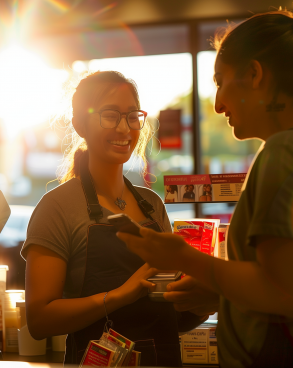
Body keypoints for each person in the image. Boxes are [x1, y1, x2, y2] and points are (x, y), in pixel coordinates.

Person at [118, 3, 293, 368]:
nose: (217, 105)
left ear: (254, 74)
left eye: (220, 81)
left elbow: (284, 293)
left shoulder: (286, 151)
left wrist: (183, 258)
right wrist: (220, 291)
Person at [21, 71, 202, 367]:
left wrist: (200, 304)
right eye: (110, 115)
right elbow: (40, 321)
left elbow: (169, 318)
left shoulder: (152, 205)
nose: (124, 128)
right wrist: (119, 296)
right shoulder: (57, 207)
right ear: (80, 125)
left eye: (132, 116)